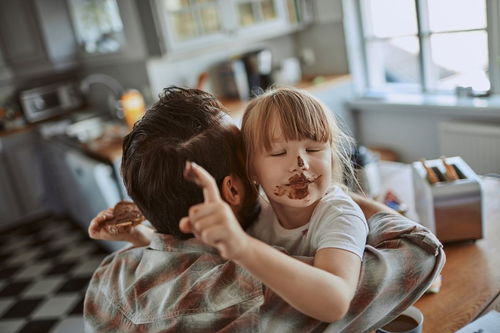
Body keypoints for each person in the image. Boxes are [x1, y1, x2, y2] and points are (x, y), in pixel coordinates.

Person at [85, 86, 444, 332]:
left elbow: (177, 262)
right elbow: (423, 252)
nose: (298, 164)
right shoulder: (256, 287)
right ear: (236, 187)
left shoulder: (106, 279)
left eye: (314, 148)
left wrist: (142, 234)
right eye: (263, 153)